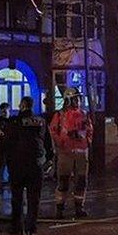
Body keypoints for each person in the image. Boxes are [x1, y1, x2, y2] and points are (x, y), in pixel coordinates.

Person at [5, 96, 53, 235]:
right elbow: (48, 145)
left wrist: (9, 163)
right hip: (35, 165)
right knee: (34, 199)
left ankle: (16, 227)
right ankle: (31, 229)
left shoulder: (14, 122)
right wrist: (48, 162)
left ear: (22, 106)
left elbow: (8, 144)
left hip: (18, 166)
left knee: (17, 198)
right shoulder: (41, 121)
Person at [50, 87, 93, 218]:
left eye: (79, 98)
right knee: (63, 181)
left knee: (81, 181)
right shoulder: (60, 115)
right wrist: (61, 142)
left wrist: (85, 140)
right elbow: (53, 131)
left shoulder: (84, 114)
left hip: (81, 153)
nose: (78, 100)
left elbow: (90, 130)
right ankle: (60, 208)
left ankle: (79, 207)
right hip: (66, 153)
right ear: (68, 100)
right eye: (75, 98)